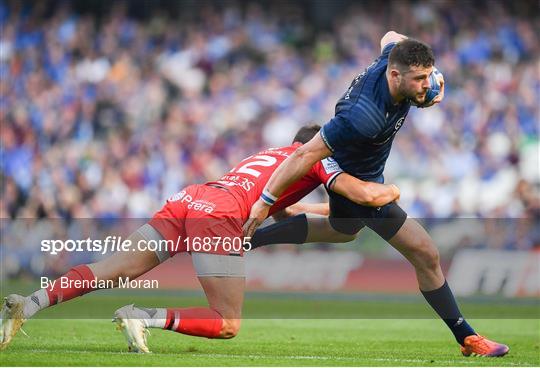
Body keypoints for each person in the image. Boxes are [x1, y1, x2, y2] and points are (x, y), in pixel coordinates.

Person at [0, 125, 399, 353]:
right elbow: (366, 195)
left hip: (192, 197)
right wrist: (393, 191)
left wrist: (323, 211)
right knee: (227, 322)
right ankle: (144, 316)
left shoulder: (275, 153)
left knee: (112, 269)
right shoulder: (319, 157)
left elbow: (284, 211)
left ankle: (29, 303)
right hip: (221, 214)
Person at [243, 32, 509, 357]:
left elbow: (392, 36)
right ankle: (467, 337)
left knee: (343, 231)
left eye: (429, 75)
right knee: (426, 253)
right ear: (395, 76)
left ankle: (248, 241)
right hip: (357, 183)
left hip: (366, 176)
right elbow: (303, 155)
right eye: (420, 79)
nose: (428, 84)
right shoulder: (361, 116)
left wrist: (429, 79)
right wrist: (264, 202)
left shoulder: (392, 59)